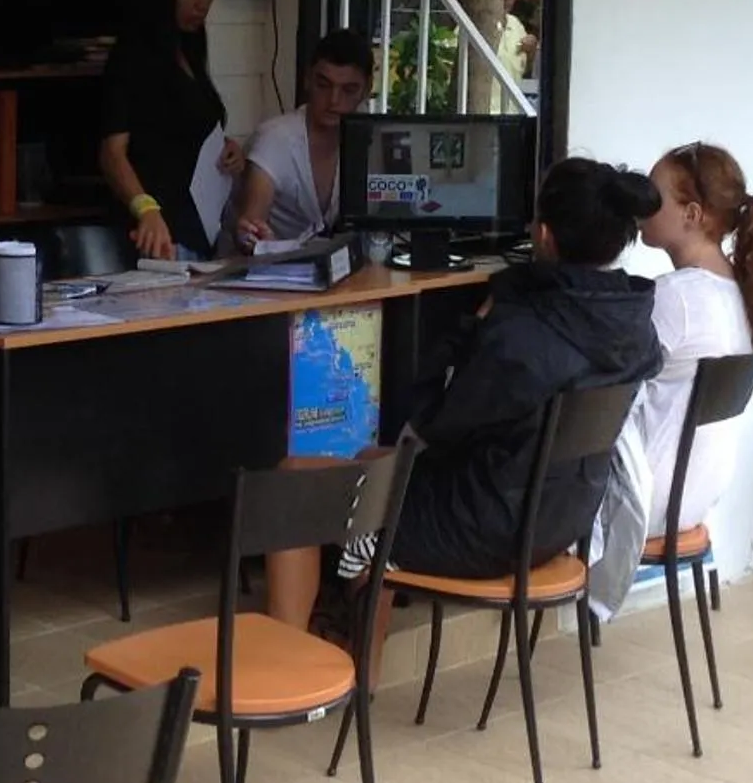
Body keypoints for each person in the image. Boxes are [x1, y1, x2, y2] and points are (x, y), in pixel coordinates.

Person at [265, 159, 664, 635]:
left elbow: (435, 424)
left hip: (481, 527)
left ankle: (289, 655)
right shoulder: (633, 327)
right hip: (559, 522)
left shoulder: (521, 336)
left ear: (543, 235)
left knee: (294, 482)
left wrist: (472, 328)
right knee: (372, 461)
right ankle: (360, 666)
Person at [630, 141, 753, 540]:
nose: (639, 205)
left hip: (644, 497)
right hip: (696, 495)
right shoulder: (745, 292)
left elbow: (603, 385)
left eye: (651, 196)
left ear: (691, 214)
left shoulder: (675, 297)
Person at [100, 0, 243, 260]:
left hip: (199, 228)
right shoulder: (133, 54)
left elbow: (190, 128)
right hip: (157, 234)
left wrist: (227, 148)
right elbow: (112, 152)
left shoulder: (189, 47)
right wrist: (145, 208)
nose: (202, 5)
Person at [232, 30, 372, 247]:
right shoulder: (275, 138)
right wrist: (255, 238)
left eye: (348, 90)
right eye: (323, 85)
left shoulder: (371, 139)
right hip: (272, 265)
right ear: (307, 79)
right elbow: (251, 223)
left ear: (367, 89)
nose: (334, 100)